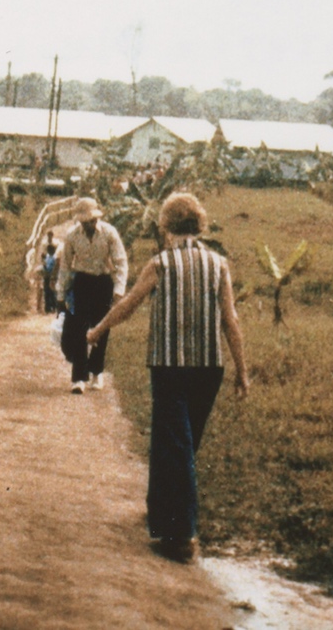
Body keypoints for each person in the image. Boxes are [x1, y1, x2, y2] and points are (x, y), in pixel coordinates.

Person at [86, 192, 249, 564]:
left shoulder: (160, 263)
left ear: (165, 226)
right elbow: (231, 321)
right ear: (200, 226)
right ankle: (162, 515)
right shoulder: (219, 264)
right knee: (182, 445)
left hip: (170, 367)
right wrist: (242, 370)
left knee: (174, 446)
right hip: (209, 369)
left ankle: (181, 534)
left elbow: (128, 304)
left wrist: (97, 330)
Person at [56, 197, 128, 394]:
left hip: (103, 282)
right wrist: (61, 293)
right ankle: (78, 377)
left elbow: (121, 262)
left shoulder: (109, 233)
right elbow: (65, 266)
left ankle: (97, 371)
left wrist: (118, 291)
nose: (90, 224)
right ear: (80, 221)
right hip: (82, 282)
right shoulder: (72, 236)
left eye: (92, 220)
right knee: (79, 329)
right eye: (86, 221)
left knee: (101, 327)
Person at [41, 238, 59, 314]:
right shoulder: (48, 258)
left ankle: (53, 307)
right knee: (48, 292)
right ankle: (48, 307)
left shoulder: (53, 258)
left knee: (51, 292)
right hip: (48, 276)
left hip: (51, 276)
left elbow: (52, 267)